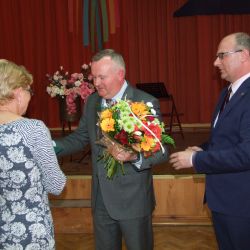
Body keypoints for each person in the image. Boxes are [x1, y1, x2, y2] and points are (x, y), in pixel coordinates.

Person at [55, 49, 168, 250]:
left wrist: (134, 155)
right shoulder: (92, 102)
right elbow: (81, 137)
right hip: (101, 201)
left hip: (133, 201)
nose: (96, 83)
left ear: (120, 74)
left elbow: (161, 150)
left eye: (101, 77)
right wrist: (52, 146)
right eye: (93, 77)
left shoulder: (144, 102)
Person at [169, 32, 250, 250]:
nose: (215, 62)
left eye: (221, 55)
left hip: (242, 205)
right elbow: (223, 140)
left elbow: (246, 153)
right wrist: (202, 148)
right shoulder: (226, 93)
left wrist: (196, 159)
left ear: (243, 55)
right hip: (223, 200)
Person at [0, 59, 66, 249]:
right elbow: (56, 184)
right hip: (30, 234)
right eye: (30, 91)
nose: (30, 97)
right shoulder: (33, 129)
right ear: (18, 93)